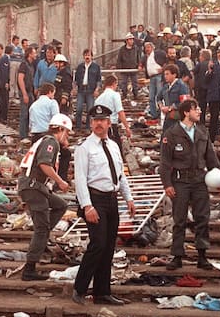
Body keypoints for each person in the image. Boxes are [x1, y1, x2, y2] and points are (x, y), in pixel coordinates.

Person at [72, 105, 135, 305]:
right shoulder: (84, 148)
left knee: (109, 246)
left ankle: (102, 292)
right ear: (91, 123)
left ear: (109, 123)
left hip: (111, 199)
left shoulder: (114, 145)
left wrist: (129, 197)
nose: (99, 124)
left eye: (103, 120)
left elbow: (120, 174)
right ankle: (79, 288)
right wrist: (87, 206)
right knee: (97, 244)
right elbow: (80, 179)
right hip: (95, 199)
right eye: (95, 120)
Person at [159, 98, 220, 270]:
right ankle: (177, 256)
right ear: (186, 112)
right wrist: (167, 184)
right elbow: (164, 162)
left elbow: (211, 157)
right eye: (196, 109)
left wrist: (218, 176)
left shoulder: (202, 132)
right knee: (179, 219)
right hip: (180, 181)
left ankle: (202, 256)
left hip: (199, 180)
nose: (200, 111)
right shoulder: (171, 134)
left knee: (202, 217)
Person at [17, 113, 72, 281]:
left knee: (60, 205)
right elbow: (44, 164)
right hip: (34, 187)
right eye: (67, 132)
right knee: (41, 229)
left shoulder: (44, 140)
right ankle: (29, 269)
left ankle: (44, 237)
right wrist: (60, 181)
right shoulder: (51, 142)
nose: (67, 136)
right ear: (61, 129)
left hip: (36, 187)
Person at [29, 83, 71, 183]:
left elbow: (30, 123)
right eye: (53, 93)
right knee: (65, 154)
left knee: (37, 160)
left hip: (35, 135)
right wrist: (64, 140)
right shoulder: (52, 103)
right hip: (48, 135)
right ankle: (61, 179)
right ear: (50, 92)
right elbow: (57, 121)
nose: (53, 96)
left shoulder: (33, 105)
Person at [94, 74, 131, 155]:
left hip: (100, 127)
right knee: (116, 151)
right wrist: (127, 127)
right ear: (114, 83)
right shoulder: (115, 95)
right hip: (111, 126)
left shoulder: (98, 99)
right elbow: (120, 112)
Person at [157, 64, 189, 134]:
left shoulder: (182, 86)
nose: (165, 76)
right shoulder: (165, 87)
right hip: (168, 117)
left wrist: (170, 108)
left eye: (167, 74)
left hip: (178, 117)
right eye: (164, 74)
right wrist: (161, 107)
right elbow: (158, 97)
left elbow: (185, 103)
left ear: (174, 75)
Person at [205, 47, 220, 144]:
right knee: (214, 117)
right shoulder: (213, 65)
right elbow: (206, 80)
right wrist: (209, 71)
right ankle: (211, 139)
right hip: (214, 95)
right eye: (218, 52)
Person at [74, 49, 102, 130]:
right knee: (79, 109)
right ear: (83, 56)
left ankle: (88, 127)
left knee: (90, 110)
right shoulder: (80, 67)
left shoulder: (96, 67)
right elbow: (76, 79)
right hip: (81, 90)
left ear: (92, 57)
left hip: (91, 91)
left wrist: (97, 89)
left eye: (89, 55)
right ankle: (78, 127)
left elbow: (99, 80)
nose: (87, 57)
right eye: (86, 55)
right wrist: (75, 88)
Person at [139, 42, 166, 119]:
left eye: (148, 47)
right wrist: (140, 67)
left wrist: (163, 69)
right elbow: (140, 64)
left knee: (159, 95)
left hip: (159, 76)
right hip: (151, 78)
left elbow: (165, 60)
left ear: (152, 48)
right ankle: (154, 114)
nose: (147, 49)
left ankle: (161, 113)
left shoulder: (158, 54)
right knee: (151, 97)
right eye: (146, 48)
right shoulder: (145, 57)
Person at [18, 46, 37, 142]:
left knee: (30, 113)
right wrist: (24, 94)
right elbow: (20, 79)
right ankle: (22, 135)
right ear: (30, 54)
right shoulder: (24, 65)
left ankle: (27, 132)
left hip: (30, 92)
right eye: (34, 53)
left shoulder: (31, 65)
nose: (36, 55)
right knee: (24, 114)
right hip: (25, 92)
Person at [116, 33, 139, 99]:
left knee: (135, 83)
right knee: (124, 83)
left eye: (132, 39)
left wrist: (138, 65)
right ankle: (124, 95)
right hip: (124, 69)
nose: (132, 41)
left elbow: (138, 58)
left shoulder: (135, 49)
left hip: (133, 68)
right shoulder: (122, 49)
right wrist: (119, 68)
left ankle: (135, 95)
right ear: (126, 41)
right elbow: (119, 59)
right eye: (130, 39)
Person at [193, 49, 212, 123]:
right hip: (211, 89)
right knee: (213, 109)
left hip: (201, 88)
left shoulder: (200, 64)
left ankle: (201, 123)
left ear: (203, 56)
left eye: (200, 56)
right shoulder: (212, 64)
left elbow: (192, 72)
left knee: (202, 107)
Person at [0, 45, 12, 124]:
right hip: (3, 84)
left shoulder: (2, 59)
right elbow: (5, 72)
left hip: (1, 83)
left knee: (2, 100)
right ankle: (3, 117)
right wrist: (6, 82)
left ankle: (1, 116)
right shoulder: (5, 59)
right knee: (4, 101)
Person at [9, 35, 24, 102]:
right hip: (12, 63)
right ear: (13, 40)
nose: (18, 41)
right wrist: (16, 55)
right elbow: (11, 55)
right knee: (12, 78)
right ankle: (11, 94)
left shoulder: (19, 48)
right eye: (17, 40)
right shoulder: (10, 47)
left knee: (17, 79)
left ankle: (17, 93)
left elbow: (21, 55)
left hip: (19, 63)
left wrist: (16, 55)